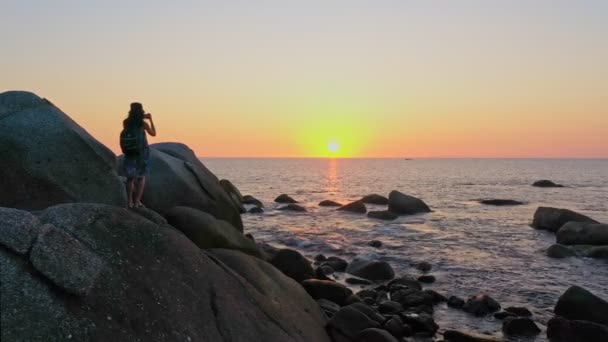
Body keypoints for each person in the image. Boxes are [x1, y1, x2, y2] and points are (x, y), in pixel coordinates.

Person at [121, 102, 156, 208]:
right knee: (141, 177)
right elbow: (153, 133)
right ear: (141, 111)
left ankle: (129, 202)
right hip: (141, 153)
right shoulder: (143, 124)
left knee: (130, 178)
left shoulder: (126, 122)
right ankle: (137, 202)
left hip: (130, 152)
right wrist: (150, 119)